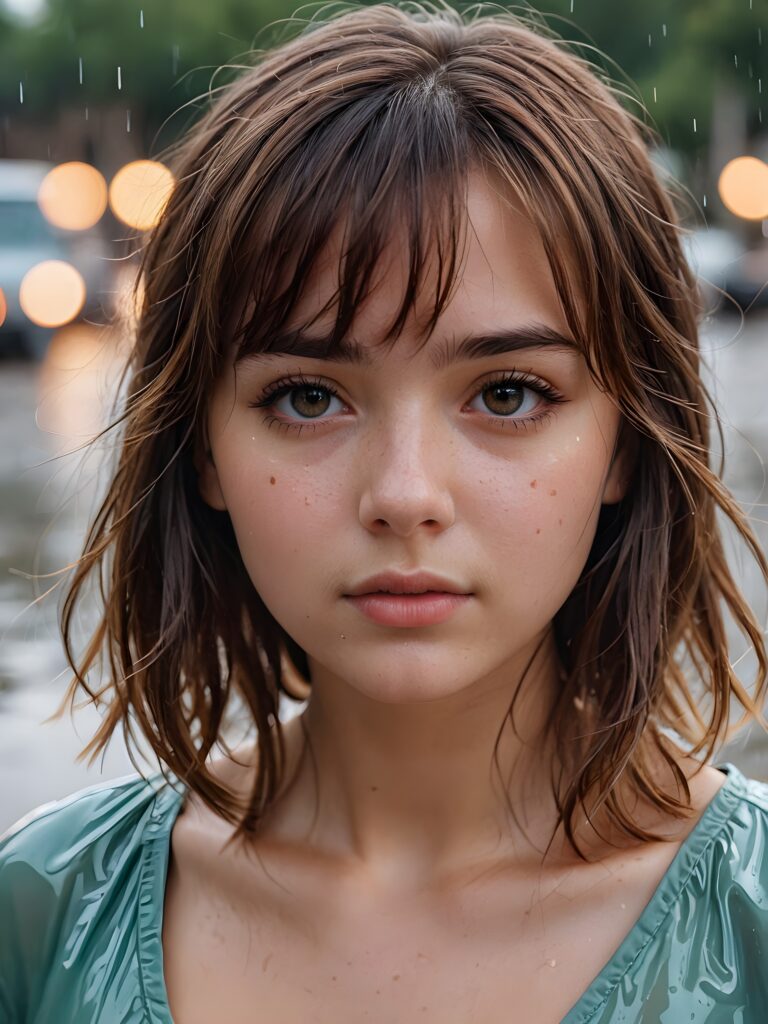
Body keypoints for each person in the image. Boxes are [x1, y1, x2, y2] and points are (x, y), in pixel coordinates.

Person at [2, 2, 768, 1021]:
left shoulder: (750, 926)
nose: (405, 494)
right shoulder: (43, 916)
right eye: (308, 397)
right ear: (204, 452)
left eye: (507, 394)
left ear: (627, 437)